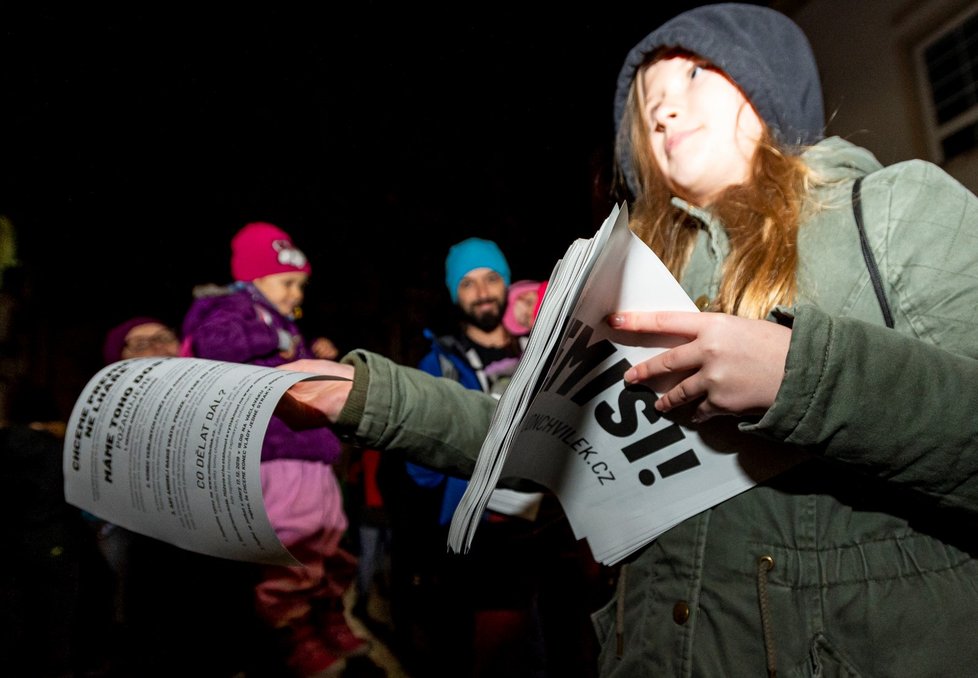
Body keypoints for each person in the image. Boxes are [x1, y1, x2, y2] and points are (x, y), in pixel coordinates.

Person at [272, 4, 978, 676]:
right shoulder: (629, 284)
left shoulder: (891, 209)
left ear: (763, 80)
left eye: (694, 73)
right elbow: (536, 434)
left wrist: (802, 376)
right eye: (648, 99)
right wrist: (365, 396)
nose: (664, 107)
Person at [181, 221, 367, 678]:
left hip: (312, 453)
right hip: (275, 452)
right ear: (252, 279)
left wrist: (314, 350)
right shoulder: (226, 308)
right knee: (292, 543)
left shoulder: (281, 322)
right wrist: (279, 340)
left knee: (329, 538)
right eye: (287, 284)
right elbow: (212, 345)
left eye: (300, 286)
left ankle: (326, 612)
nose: (295, 295)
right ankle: (292, 630)